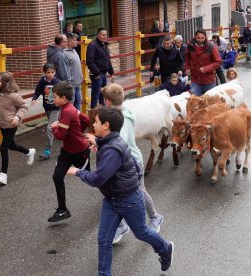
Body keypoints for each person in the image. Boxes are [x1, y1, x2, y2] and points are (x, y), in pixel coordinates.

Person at [67, 107, 174, 275]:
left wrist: (78, 172)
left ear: (106, 125)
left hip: (128, 200)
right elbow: (132, 165)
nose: (93, 125)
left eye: (95, 122)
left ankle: (165, 248)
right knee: (104, 241)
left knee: (142, 233)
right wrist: (97, 142)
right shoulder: (112, 142)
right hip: (112, 199)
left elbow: (98, 179)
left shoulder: (112, 149)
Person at [98, 84, 165, 242]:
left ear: (107, 101)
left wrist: (101, 143)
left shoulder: (122, 118)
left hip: (130, 160)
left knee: (138, 191)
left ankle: (155, 217)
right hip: (120, 159)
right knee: (117, 193)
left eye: (103, 100)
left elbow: (122, 141)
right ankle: (121, 226)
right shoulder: (119, 113)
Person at [47, 81, 91, 223]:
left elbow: (60, 136)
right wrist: (78, 132)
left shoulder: (67, 111)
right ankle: (62, 209)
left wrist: (54, 127)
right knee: (57, 176)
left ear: (64, 98)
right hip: (67, 151)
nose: (53, 99)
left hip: (80, 151)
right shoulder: (69, 108)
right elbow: (85, 120)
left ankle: (113, 192)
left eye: (55, 97)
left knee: (91, 179)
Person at [0, 73, 36, 185]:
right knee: (11, 145)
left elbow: (23, 107)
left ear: (6, 82)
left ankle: (4, 175)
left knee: (4, 148)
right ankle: (29, 152)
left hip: (12, 124)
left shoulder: (14, 96)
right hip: (2, 124)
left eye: (0, 80)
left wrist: (17, 117)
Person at [31, 63, 60, 160]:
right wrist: (34, 98)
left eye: (52, 72)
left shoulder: (57, 82)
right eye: (48, 72)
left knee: (49, 128)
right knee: (54, 127)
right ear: (44, 73)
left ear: (55, 72)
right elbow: (38, 91)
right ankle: (62, 135)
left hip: (55, 108)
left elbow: (64, 92)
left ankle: (47, 150)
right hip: (47, 107)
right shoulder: (42, 82)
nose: (51, 74)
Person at [185, 30, 222, 96]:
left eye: (202, 38)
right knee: (195, 101)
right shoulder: (190, 46)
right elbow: (187, 58)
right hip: (195, 80)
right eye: (198, 38)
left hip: (208, 80)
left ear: (205, 37)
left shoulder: (211, 47)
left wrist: (206, 68)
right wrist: (187, 68)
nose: (200, 40)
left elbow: (218, 61)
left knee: (210, 102)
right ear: (195, 37)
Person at [86, 27, 115, 108]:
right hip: (97, 75)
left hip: (104, 74)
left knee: (103, 94)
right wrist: (97, 73)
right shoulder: (92, 45)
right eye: (103, 35)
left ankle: (102, 111)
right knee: (95, 95)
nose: (105, 36)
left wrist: (111, 72)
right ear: (98, 35)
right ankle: (93, 112)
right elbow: (89, 61)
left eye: (106, 35)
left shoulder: (105, 45)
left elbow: (107, 60)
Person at [64, 33, 83, 110]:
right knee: (71, 104)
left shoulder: (74, 51)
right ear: (69, 42)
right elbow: (66, 70)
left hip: (78, 83)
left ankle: (77, 120)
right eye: (74, 40)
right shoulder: (64, 53)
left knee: (78, 102)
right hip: (71, 85)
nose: (77, 42)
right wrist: (69, 83)